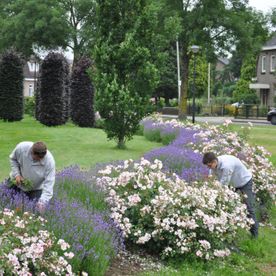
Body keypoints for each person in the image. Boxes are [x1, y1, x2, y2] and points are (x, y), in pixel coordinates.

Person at [202, 152, 258, 238]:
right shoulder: (213, 166)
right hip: (233, 184)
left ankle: (254, 235)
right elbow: (212, 180)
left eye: (209, 166)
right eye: (207, 166)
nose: (208, 168)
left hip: (244, 182)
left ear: (214, 161)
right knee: (227, 207)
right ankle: (229, 232)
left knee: (249, 208)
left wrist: (214, 193)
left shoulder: (227, 166)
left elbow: (223, 184)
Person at [9, 141, 55, 213]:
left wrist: (42, 202)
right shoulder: (22, 148)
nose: (40, 160)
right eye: (37, 158)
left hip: (36, 188)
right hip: (17, 182)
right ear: (32, 152)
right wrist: (17, 174)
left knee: (35, 211)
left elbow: (49, 185)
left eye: (41, 158)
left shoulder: (49, 162)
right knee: (7, 202)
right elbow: (13, 159)